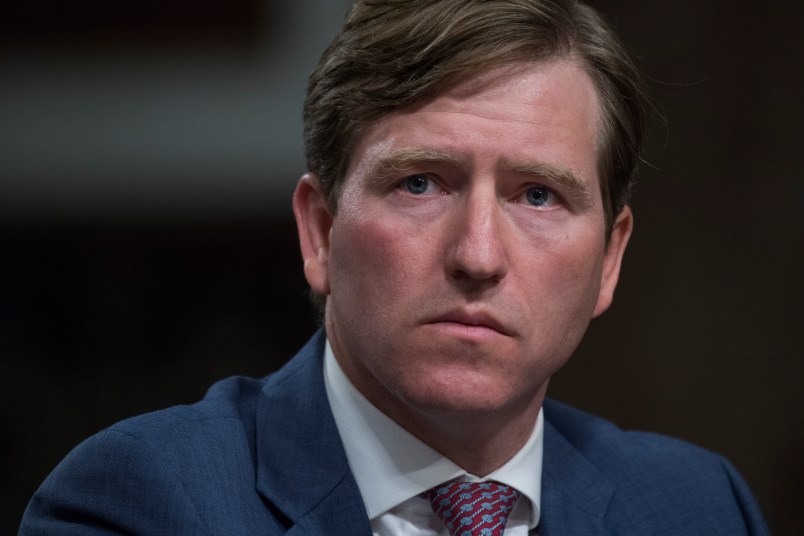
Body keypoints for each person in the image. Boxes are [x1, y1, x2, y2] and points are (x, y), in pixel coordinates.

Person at [20, 1, 770, 534]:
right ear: (320, 231)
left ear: (609, 260)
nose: (477, 256)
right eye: (421, 183)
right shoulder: (141, 505)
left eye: (537, 195)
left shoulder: (697, 505)